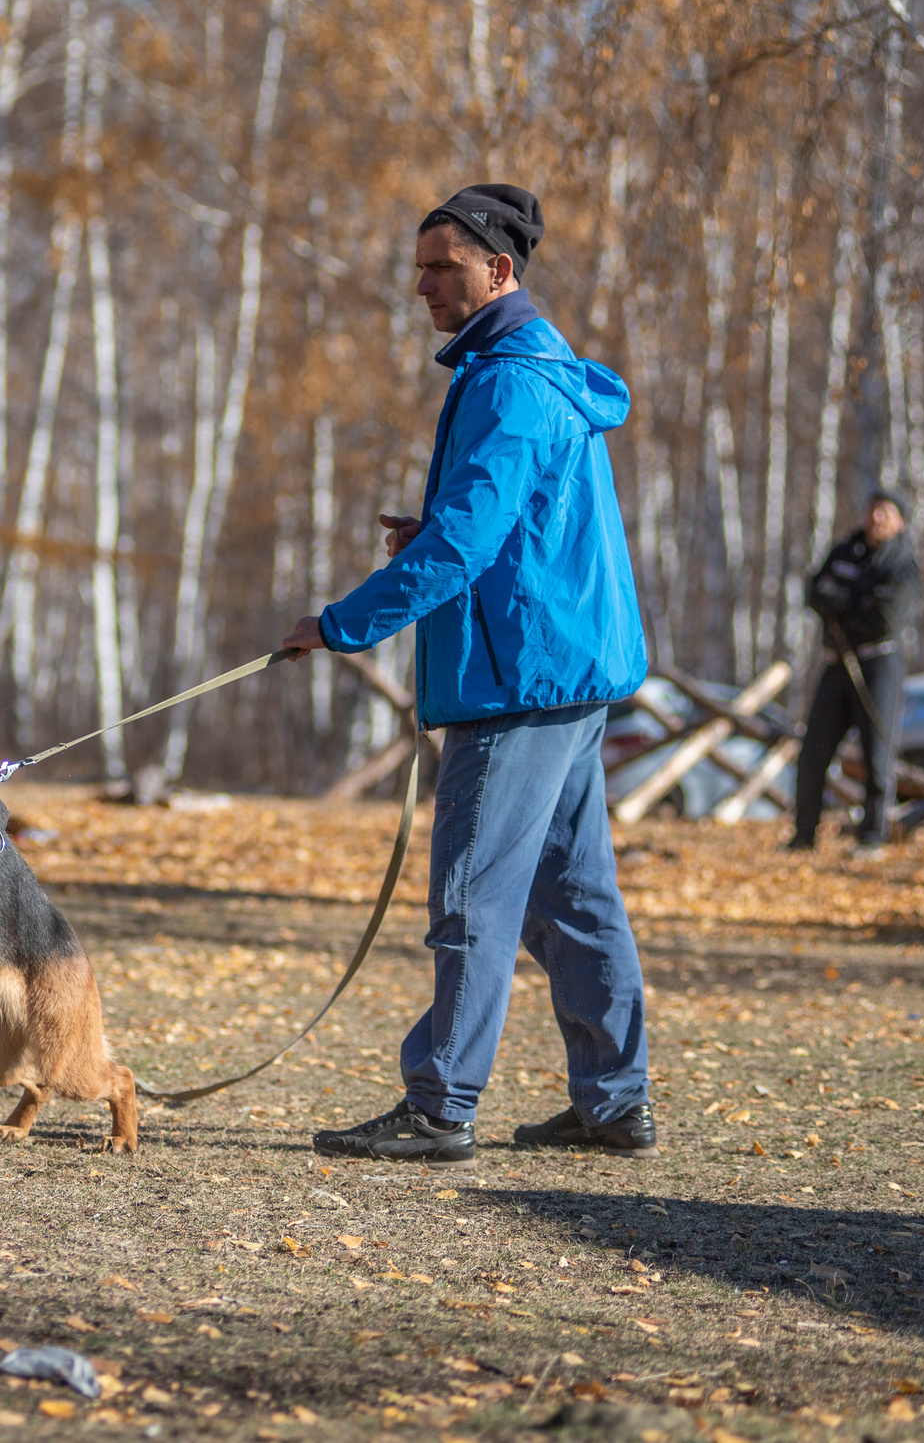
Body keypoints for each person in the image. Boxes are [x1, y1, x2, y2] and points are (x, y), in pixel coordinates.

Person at [277, 184, 654, 1166]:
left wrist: (341, 624)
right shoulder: (532, 371)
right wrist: (432, 532)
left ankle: (440, 1103)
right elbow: (507, 526)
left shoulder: (508, 382)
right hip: (559, 670)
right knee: (573, 897)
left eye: (443, 265)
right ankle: (614, 1100)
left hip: (518, 677)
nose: (423, 284)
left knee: (473, 895)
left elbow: (462, 549)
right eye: (419, 266)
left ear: (500, 268)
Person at [790, 491, 920, 855]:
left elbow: (886, 618)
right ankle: (803, 835)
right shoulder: (845, 551)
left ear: (899, 523)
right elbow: (815, 592)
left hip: (880, 665)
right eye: (873, 510)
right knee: (813, 750)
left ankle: (872, 837)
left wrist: (842, 605)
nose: (877, 519)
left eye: (886, 513)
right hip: (837, 664)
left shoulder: (902, 565)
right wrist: (857, 602)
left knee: (877, 753)